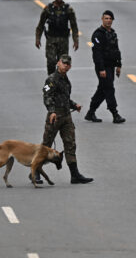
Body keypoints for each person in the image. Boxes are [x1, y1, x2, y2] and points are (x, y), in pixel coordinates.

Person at [42, 54, 93, 184]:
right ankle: (35, 172)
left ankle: (75, 175)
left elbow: (64, 97)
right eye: (64, 63)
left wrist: (74, 105)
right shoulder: (51, 79)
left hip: (66, 116)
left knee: (70, 144)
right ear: (58, 63)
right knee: (46, 146)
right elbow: (47, 96)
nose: (66, 66)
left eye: (68, 64)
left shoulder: (65, 79)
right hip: (55, 117)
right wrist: (52, 111)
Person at [85, 10, 125, 124]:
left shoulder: (112, 33)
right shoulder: (97, 34)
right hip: (102, 67)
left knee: (102, 90)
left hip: (111, 66)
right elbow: (96, 53)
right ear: (102, 19)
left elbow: (116, 50)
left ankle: (90, 112)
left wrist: (119, 65)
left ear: (112, 20)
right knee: (109, 89)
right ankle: (115, 114)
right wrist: (101, 69)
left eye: (110, 18)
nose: (108, 20)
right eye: (106, 18)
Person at [35, 0, 79, 75]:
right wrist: (37, 38)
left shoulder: (68, 10)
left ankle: (61, 82)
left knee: (63, 64)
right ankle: (51, 81)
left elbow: (74, 26)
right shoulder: (48, 9)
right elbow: (40, 25)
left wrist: (75, 40)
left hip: (63, 40)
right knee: (51, 62)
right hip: (51, 40)